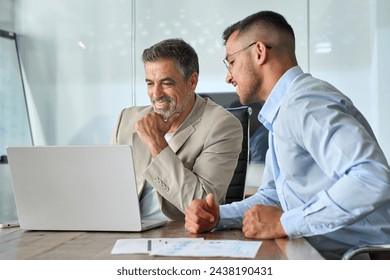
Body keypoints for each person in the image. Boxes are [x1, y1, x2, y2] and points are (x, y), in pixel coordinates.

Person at [184, 11, 390, 259]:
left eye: (232, 62)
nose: (229, 76)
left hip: (364, 258)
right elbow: (273, 197)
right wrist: (218, 216)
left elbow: (372, 177)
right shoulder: (281, 112)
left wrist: (284, 223)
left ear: (259, 52)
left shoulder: (305, 104)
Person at [110, 38, 243, 221]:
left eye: (166, 83)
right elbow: (108, 190)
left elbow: (202, 205)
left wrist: (157, 143)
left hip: (180, 234)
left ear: (192, 81)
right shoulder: (127, 119)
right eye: (150, 83)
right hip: (124, 229)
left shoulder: (222, 125)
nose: (156, 94)